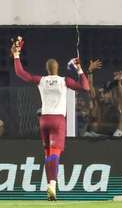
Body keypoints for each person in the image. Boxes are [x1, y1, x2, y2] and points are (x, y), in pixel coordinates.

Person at [11, 36, 90, 201]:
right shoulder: (64, 81)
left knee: (48, 154)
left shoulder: (42, 80)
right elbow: (85, 87)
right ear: (57, 68)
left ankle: (50, 186)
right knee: (55, 154)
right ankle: (52, 186)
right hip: (58, 121)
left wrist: (16, 55)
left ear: (47, 69)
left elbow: (21, 73)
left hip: (44, 120)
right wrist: (79, 70)